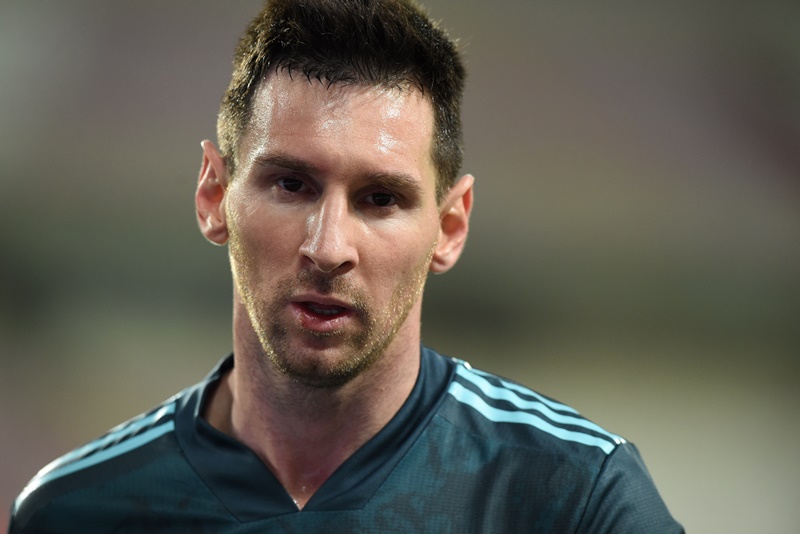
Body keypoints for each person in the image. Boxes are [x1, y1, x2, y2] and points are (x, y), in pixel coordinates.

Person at [9, 0, 683, 532]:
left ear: (450, 227)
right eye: (291, 184)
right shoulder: (75, 510)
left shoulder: (574, 498)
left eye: (380, 198)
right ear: (214, 195)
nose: (329, 247)